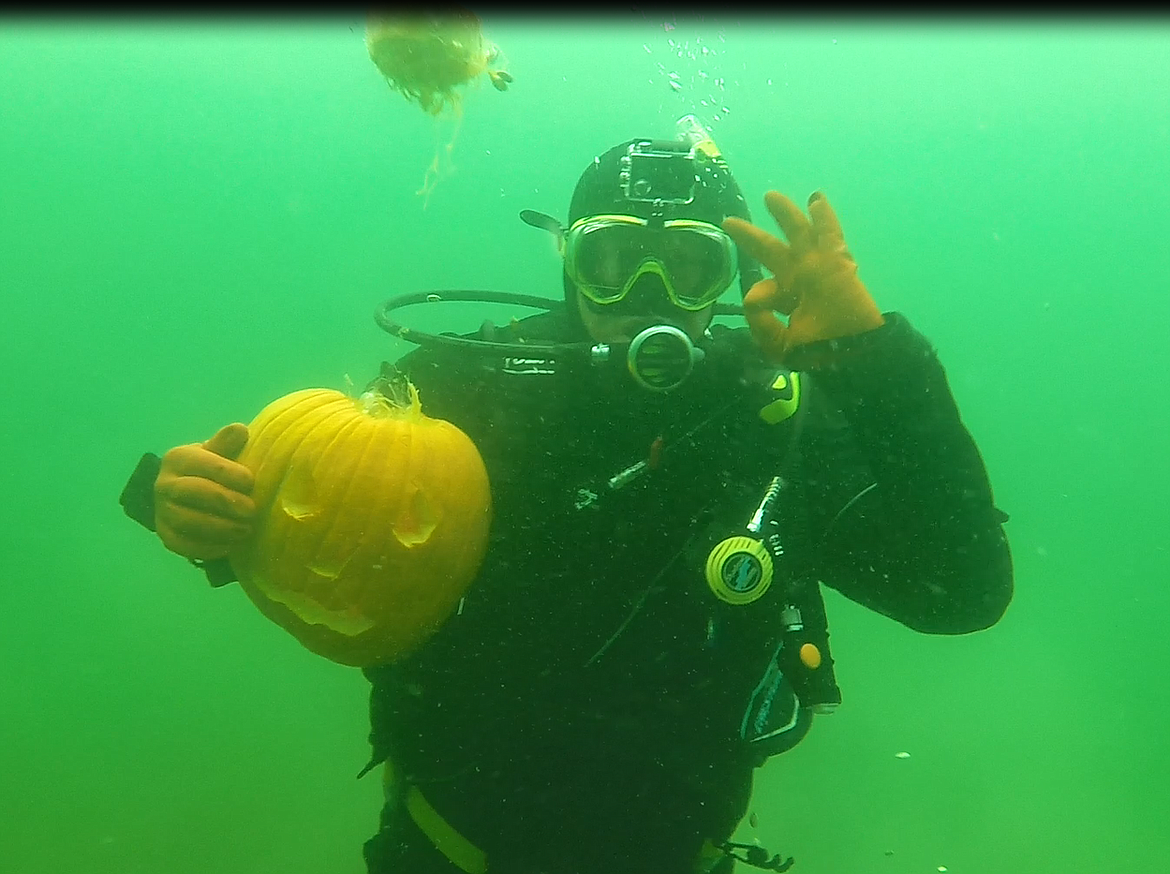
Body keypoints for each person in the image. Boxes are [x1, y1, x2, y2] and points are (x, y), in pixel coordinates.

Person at [120, 131, 1013, 874]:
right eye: (614, 260)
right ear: (569, 259)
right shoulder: (458, 392)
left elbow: (960, 589)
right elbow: (319, 514)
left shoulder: (778, 417)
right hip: (442, 856)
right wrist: (195, 511)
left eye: (690, 267)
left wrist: (872, 359)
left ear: (732, 279)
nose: (646, 297)